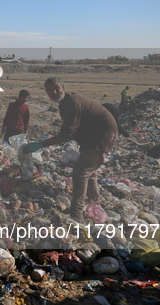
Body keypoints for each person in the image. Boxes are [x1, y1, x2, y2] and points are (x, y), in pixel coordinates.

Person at [24, 77, 117, 219]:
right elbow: (70, 130)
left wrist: (40, 145)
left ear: (63, 87)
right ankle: (94, 204)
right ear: (46, 92)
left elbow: (65, 135)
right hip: (92, 137)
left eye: (57, 88)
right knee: (89, 172)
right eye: (50, 90)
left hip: (100, 136)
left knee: (80, 173)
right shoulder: (64, 103)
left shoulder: (73, 103)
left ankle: (77, 213)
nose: (54, 92)